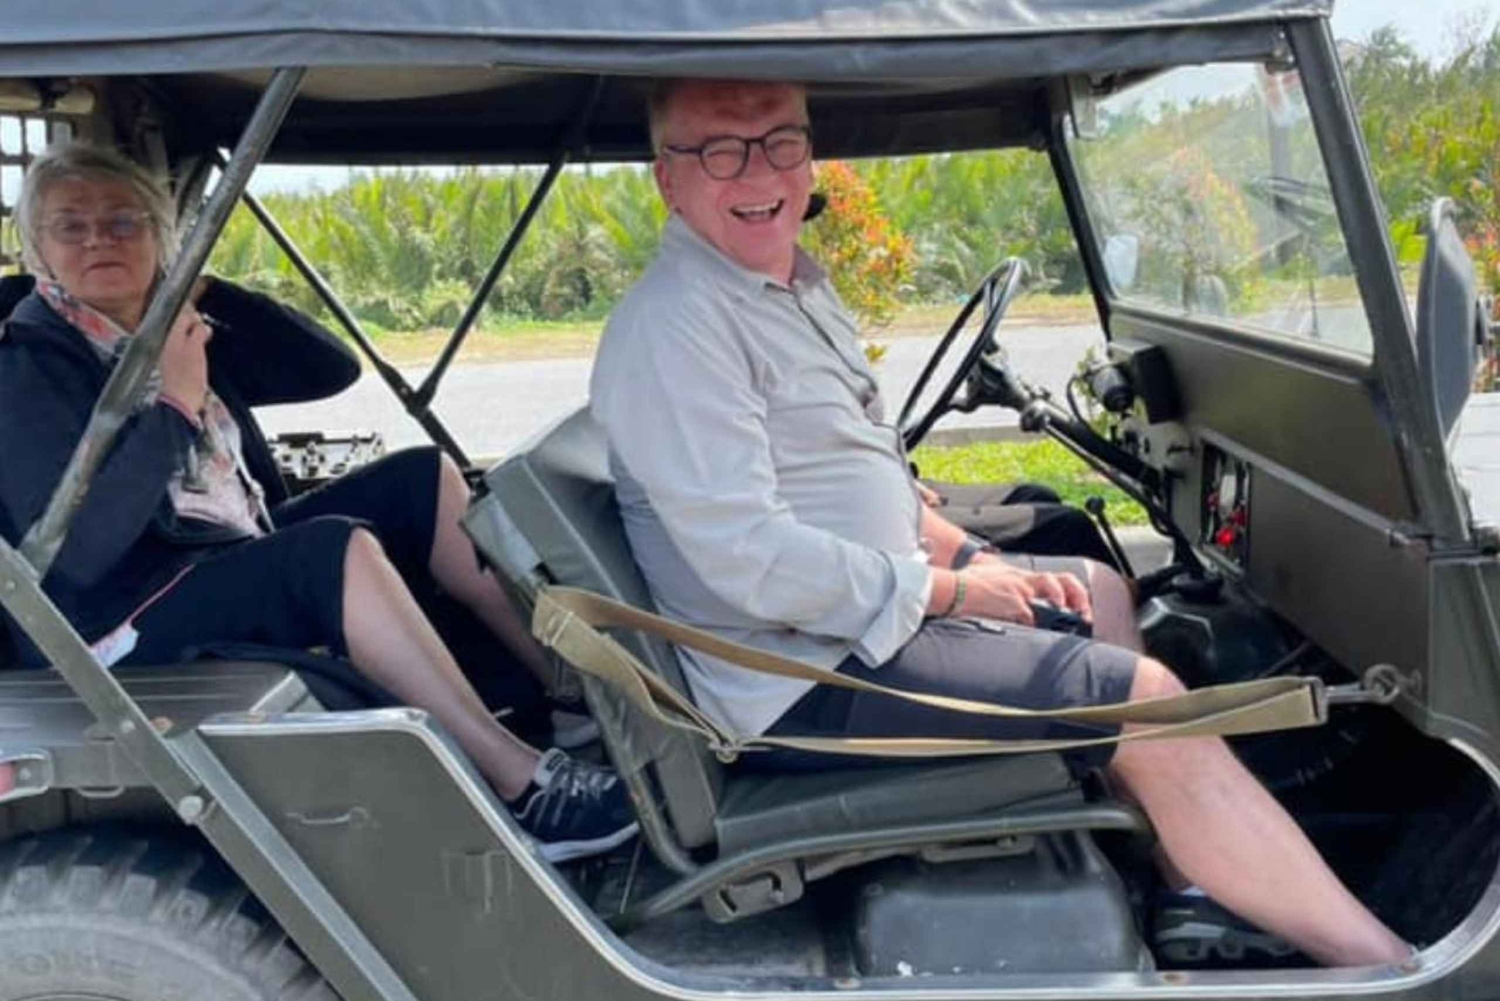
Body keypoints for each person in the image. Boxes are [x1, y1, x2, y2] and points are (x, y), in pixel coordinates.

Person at [589, 78, 1412, 967]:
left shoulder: (779, 286)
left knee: (1095, 586)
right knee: (1149, 702)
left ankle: (1193, 883)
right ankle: (1394, 968)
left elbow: (857, 469)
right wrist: (949, 591)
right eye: (720, 149)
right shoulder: (680, 326)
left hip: (841, 625)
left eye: (779, 140)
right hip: (798, 676)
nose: (758, 170)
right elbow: (748, 560)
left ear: (810, 151)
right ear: (666, 178)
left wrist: (974, 555)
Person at [0, 142, 633, 863]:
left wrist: (194, 288)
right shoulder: (28, 362)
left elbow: (326, 367)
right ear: (38, 250)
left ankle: (576, 699)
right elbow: (77, 556)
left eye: (125, 223)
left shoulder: (166, 333)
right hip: (110, 620)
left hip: (206, 553)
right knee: (331, 550)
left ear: (160, 238)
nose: (98, 240)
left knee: (421, 478)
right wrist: (174, 405)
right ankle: (520, 783)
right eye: (70, 226)